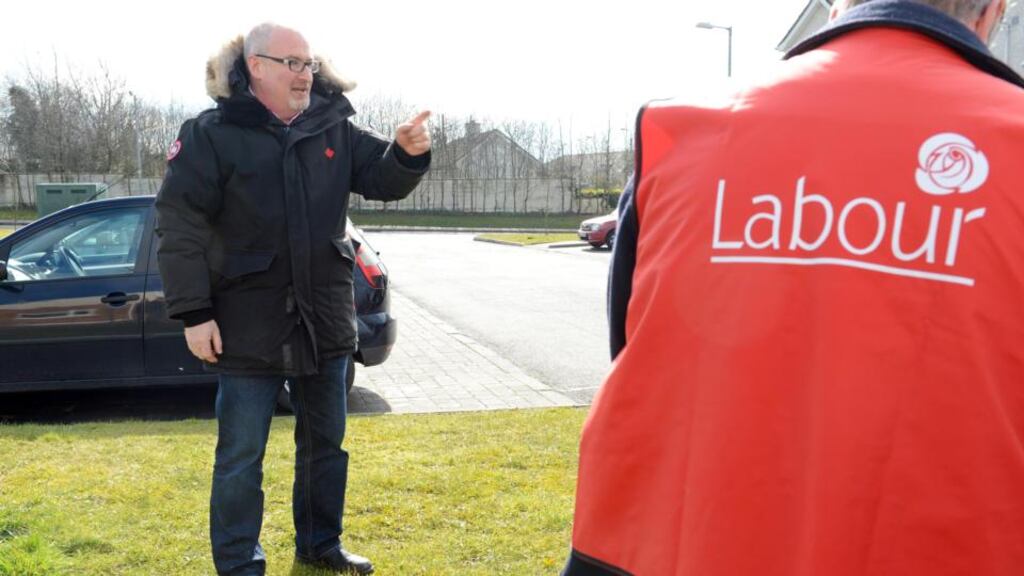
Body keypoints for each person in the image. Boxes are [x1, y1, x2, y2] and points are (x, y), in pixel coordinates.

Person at [564, 0, 1024, 574]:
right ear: (994, 12)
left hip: (672, 549)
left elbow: (634, 350)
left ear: (836, 5)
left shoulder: (684, 127)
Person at [155, 22, 430, 576]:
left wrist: (404, 154)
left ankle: (320, 545)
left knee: (326, 444)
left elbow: (382, 178)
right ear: (256, 66)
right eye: (293, 64)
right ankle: (238, 564)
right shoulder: (211, 134)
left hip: (324, 315)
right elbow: (179, 226)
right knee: (240, 458)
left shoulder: (334, 124)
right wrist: (194, 313)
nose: (306, 75)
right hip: (243, 321)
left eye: (309, 64)